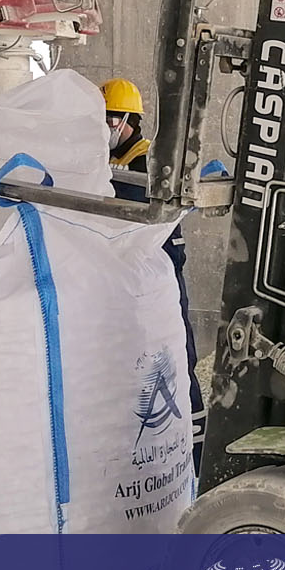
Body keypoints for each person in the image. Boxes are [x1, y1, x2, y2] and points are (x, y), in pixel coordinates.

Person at [103, 78, 208, 469]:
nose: (104, 126)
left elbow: (130, 201)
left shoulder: (147, 157)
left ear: (127, 119)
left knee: (176, 353)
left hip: (157, 269)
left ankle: (195, 453)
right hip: (123, 270)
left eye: (109, 118)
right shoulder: (105, 155)